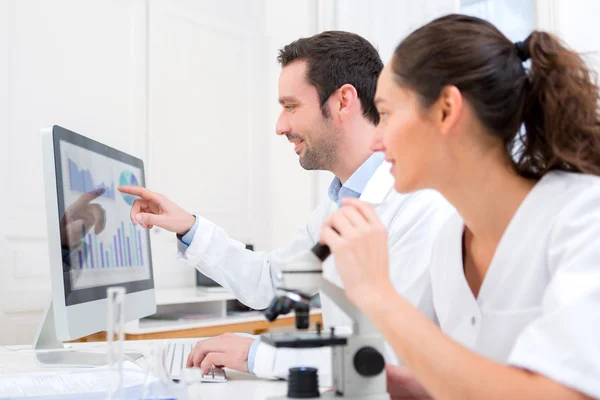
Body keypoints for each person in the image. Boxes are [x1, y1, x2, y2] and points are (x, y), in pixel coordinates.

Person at [119, 31, 453, 380]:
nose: (281, 126)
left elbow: (393, 356)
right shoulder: (340, 203)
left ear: (342, 102)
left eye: (291, 106)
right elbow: (271, 281)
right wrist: (188, 226)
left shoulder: (420, 204)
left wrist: (259, 355)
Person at [320, 14, 600, 399]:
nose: (375, 141)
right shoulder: (450, 242)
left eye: (385, 113)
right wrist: (418, 387)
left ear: (446, 109)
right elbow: (483, 377)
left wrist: (376, 293)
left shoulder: (583, 217)